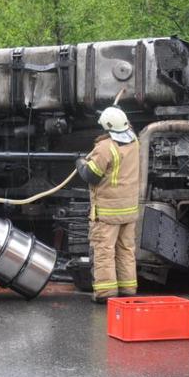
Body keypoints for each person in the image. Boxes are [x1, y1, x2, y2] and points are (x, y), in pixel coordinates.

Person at [75, 106, 140, 303]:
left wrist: (79, 162)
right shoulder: (134, 142)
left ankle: (105, 293)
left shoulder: (105, 148)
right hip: (128, 210)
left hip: (107, 212)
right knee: (126, 250)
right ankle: (128, 290)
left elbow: (91, 176)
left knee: (104, 251)